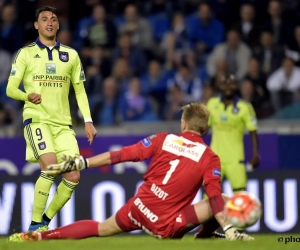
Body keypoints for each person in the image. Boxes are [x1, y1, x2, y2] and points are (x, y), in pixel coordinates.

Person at [9, 103, 253, 241]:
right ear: (206, 129)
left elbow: (120, 155)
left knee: (100, 228)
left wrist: (83, 163)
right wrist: (230, 227)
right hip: (166, 226)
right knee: (222, 200)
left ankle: (42, 237)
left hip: (138, 208)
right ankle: (206, 237)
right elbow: (213, 193)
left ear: (184, 124)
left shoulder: (162, 138)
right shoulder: (210, 157)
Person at [6, 6, 97, 232]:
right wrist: (27, 95)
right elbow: (10, 89)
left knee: (73, 175)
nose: (49, 22)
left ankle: (44, 222)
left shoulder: (71, 55)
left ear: (57, 25)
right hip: (37, 120)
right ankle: (34, 225)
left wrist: (88, 120)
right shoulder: (25, 53)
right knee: (50, 167)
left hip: (63, 125)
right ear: (36, 25)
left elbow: (80, 91)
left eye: (53, 19)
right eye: (44, 19)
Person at [206, 74, 260, 194]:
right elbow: (205, 128)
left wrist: (256, 154)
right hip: (215, 157)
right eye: (225, 84)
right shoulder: (212, 104)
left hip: (235, 159)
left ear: (236, 86)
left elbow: (253, 131)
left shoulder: (245, 107)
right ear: (220, 86)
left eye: (232, 83)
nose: (228, 87)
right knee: (209, 194)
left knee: (240, 195)